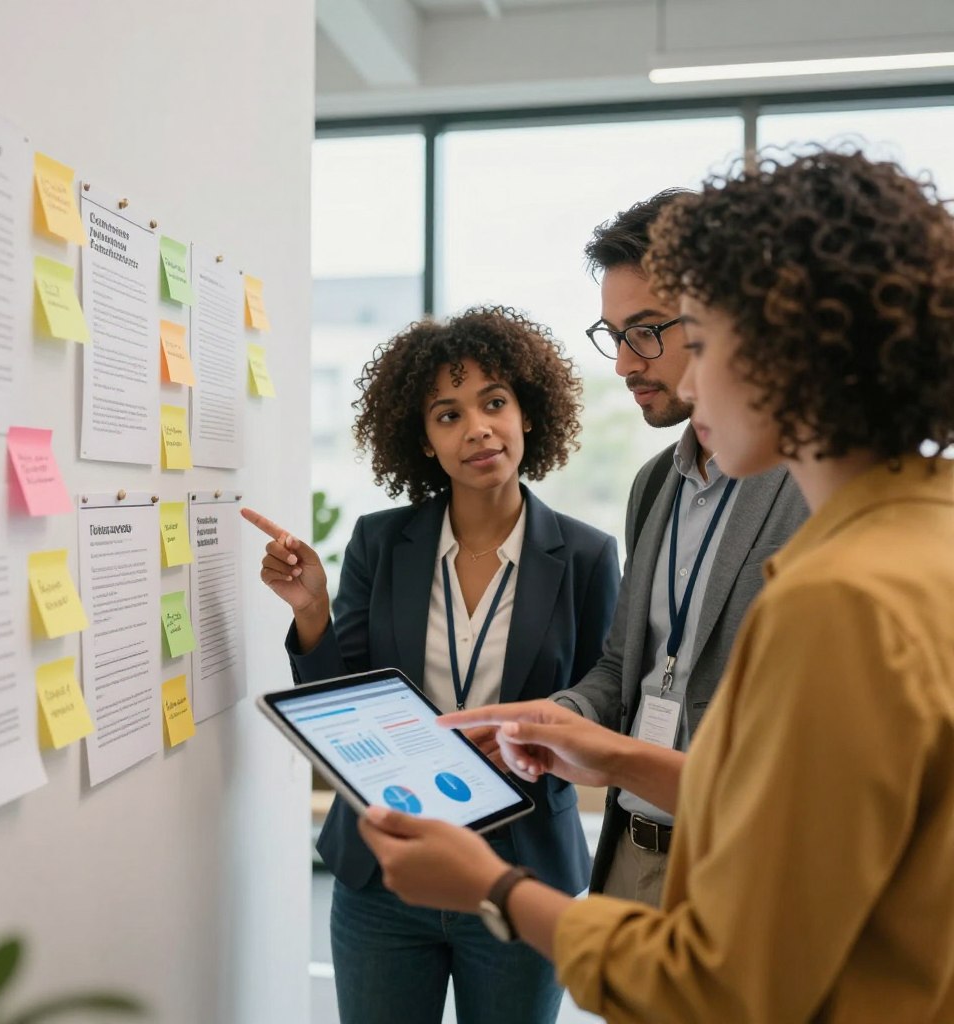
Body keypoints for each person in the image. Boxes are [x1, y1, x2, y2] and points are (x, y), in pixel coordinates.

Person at [357, 149, 954, 1022]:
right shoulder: (925, 531)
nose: (675, 372)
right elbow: (829, 808)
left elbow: (724, 983)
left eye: (697, 340)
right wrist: (613, 752)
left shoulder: (840, 598)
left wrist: (496, 889)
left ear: (790, 348)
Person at [242, 306, 620, 1024]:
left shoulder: (588, 555)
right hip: (383, 871)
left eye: (495, 402)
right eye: (448, 414)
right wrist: (311, 611)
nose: (476, 427)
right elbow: (335, 705)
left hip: (519, 869)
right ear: (423, 440)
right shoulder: (381, 543)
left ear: (528, 416)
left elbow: (605, 704)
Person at [557, 189, 806, 905]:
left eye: (647, 331)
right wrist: (569, 717)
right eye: (613, 335)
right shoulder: (652, 486)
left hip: (749, 865)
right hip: (635, 850)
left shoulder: (813, 485)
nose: (624, 364)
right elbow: (627, 663)